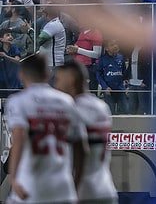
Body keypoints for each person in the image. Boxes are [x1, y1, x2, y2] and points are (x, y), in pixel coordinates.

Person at [5, 54, 87, 204]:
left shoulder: (17, 101)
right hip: (63, 187)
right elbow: (81, 147)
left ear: (21, 74)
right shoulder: (66, 101)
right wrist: (76, 183)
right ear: (48, 74)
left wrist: (14, 177)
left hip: (30, 184)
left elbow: (19, 138)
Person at [55, 61, 117, 204]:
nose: (56, 86)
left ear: (70, 79)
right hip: (106, 188)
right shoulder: (102, 107)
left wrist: (74, 189)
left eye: (58, 80)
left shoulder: (71, 108)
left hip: (83, 192)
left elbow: (80, 151)